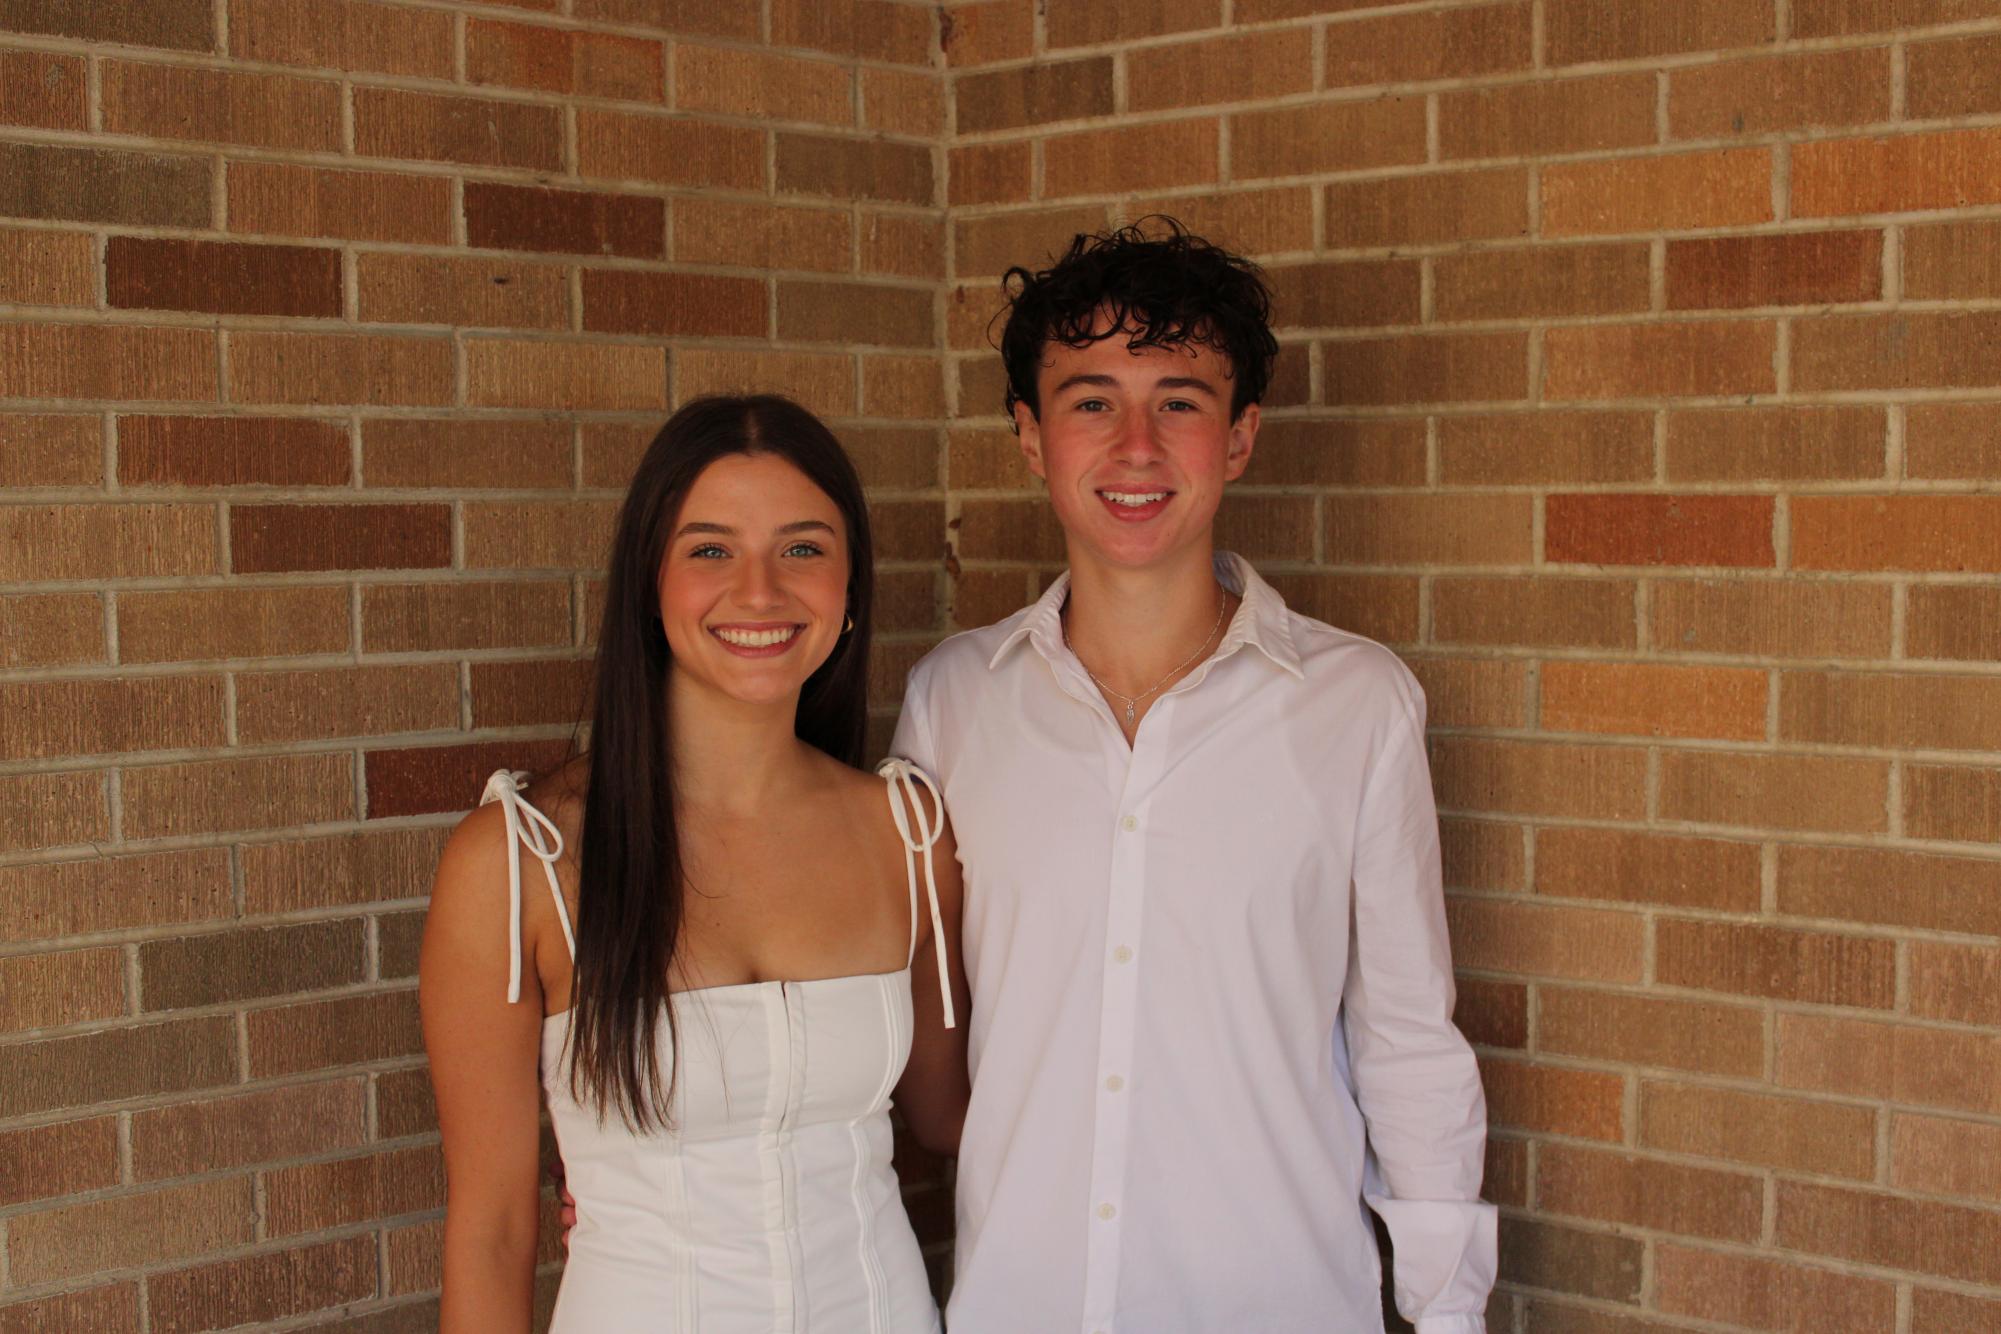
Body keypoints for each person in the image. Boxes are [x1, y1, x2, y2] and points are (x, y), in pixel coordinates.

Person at [888, 221, 1495, 1331]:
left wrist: (1446, 1313)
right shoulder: (952, 700)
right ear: (1030, 436)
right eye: (1089, 400)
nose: (1135, 446)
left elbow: (1408, 1037)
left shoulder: (1357, 704)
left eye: (1178, 400)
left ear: (1241, 435)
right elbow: (916, 1021)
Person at [420, 394, 970, 1334]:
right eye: (710, 549)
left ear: (849, 590)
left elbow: (951, 1118)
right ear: (649, 581)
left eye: (802, 548)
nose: (759, 593)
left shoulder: (907, 835)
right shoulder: (521, 862)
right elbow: (493, 1233)